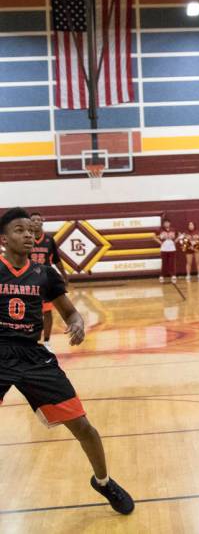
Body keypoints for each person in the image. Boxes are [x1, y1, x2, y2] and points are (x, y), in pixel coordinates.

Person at [0, 208, 134, 514]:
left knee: (84, 426)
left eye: (30, 231)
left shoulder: (45, 274)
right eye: (19, 230)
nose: (28, 235)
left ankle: (103, 481)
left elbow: (69, 311)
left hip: (34, 356)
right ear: (4, 239)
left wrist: (77, 323)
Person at [30, 211, 68, 353]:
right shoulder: (26, 239)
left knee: (47, 312)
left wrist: (64, 275)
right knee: (31, 312)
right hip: (30, 281)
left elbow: (57, 259)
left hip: (45, 281)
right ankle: (31, 341)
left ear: (42, 222)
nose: (36, 222)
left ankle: (46, 341)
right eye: (33, 220)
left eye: (39, 220)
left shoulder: (49, 240)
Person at [156, 217, 177, 283]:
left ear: (170, 223)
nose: (166, 224)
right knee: (164, 263)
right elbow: (154, 237)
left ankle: (173, 275)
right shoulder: (160, 230)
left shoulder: (173, 229)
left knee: (171, 263)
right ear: (163, 224)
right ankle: (162, 276)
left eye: (168, 222)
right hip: (164, 248)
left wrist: (175, 241)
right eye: (165, 223)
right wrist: (160, 242)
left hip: (172, 248)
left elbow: (179, 235)